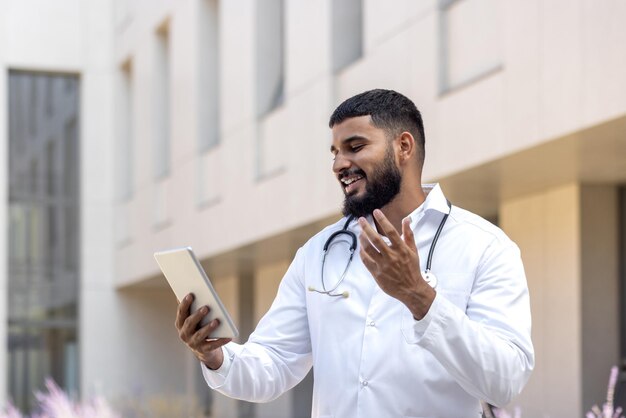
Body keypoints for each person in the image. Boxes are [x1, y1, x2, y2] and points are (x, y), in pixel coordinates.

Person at [175, 89, 535, 417]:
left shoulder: (484, 246)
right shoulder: (317, 253)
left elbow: (504, 380)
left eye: (355, 146)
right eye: (335, 152)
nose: (338, 165)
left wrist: (421, 298)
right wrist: (215, 356)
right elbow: (274, 364)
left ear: (404, 147)